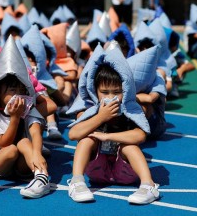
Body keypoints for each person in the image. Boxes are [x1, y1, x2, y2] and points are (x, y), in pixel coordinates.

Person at [66, 45, 159, 204]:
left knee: (130, 146)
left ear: (126, 90)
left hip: (124, 172)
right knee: (86, 140)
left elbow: (141, 135)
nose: (111, 97)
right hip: (97, 170)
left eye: (117, 92)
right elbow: (73, 134)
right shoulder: (89, 110)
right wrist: (101, 117)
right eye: (105, 92)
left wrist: (108, 136)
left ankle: (148, 185)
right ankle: (77, 182)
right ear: (95, 91)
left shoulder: (131, 109)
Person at [0, 36, 50, 200]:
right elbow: (4, 143)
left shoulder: (27, 108)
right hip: (0, 165)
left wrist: (37, 153)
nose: (19, 96)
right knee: (12, 148)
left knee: (24, 142)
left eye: (22, 91)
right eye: (13, 90)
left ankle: (41, 177)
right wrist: (15, 118)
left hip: (22, 167)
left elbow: (36, 131)